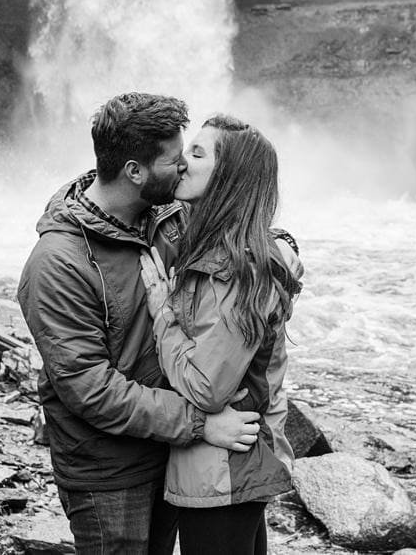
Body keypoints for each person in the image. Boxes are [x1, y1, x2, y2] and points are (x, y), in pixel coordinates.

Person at [17, 93, 263, 555]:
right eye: (176, 159)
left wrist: (282, 252)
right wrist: (198, 423)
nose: (186, 168)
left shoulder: (168, 219)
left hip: (168, 452)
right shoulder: (59, 264)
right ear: (135, 171)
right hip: (109, 472)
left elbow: (243, 230)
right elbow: (89, 388)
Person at [139, 114, 304, 555]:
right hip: (230, 469)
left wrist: (162, 313)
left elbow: (206, 388)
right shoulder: (225, 250)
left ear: (227, 177)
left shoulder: (237, 269)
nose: (181, 163)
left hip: (226, 471)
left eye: (196, 154)